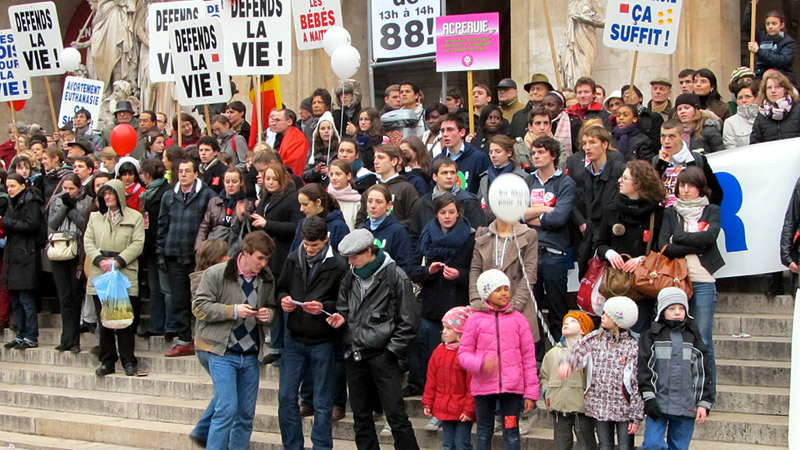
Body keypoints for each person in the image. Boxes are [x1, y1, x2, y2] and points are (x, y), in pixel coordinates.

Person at [326, 229, 420, 450]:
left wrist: (390, 352)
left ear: (369, 251)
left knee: (396, 417)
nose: (350, 262)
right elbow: (343, 308)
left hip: (382, 355)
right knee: (361, 418)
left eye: (354, 257)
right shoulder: (349, 277)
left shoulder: (395, 276)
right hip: (355, 354)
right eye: (348, 257)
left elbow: (409, 321)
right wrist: (341, 319)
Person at [192, 230, 277, 448]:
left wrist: (268, 315)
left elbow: (271, 308)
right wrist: (233, 310)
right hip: (222, 352)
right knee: (226, 409)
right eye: (260, 258)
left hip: (250, 354)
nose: (263, 263)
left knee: (246, 415)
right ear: (246, 253)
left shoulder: (266, 278)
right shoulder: (217, 273)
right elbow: (199, 306)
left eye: (267, 259)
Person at [277, 216, 349, 450]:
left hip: (323, 340)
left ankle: (321, 447)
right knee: (286, 397)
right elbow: (281, 288)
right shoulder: (293, 258)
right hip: (295, 337)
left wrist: (324, 307)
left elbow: (344, 302)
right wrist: (283, 300)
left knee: (322, 401)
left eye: (314, 246)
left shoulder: (338, 264)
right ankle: (292, 445)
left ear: (326, 240)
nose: (309, 250)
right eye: (306, 245)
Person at [657, 166, 724, 402]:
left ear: (700, 187)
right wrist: (695, 243)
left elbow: (710, 238)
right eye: (682, 185)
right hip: (676, 280)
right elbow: (665, 245)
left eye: (690, 186)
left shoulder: (711, 210)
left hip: (703, 278)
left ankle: (707, 395)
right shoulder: (670, 212)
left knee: (703, 338)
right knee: (675, 336)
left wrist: (681, 238)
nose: (685, 190)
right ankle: (681, 392)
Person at [405, 193, 475, 400]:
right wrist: (429, 271)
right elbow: (411, 269)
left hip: (457, 306)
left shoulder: (470, 238)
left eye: (451, 212)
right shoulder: (426, 236)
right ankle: (431, 395)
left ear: (458, 213)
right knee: (430, 354)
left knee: (456, 358)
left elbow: (476, 272)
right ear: (436, 214)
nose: (447, 217)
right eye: (443, 212)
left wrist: (459, 275)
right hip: (431, 305)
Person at [459, 269, 539, 450]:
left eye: (506, 288)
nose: (504, 293)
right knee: (484, 430)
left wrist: (531, 393)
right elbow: (463, 355)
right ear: (487, 294)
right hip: (484, 389)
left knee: (511, 431)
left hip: (512, 389)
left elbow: (528, 357)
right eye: (498, 290)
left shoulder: (518, 319)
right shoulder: (475, 320)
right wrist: (480, 363)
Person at [559, 296, 645, 450]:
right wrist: (568, 363)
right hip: (599, 406)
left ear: (619, 319)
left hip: (624, 408)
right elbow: (577, 352)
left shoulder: (633, 346)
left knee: (626, 446)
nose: (602, 316)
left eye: (607, 314)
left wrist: (636, 415)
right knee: (604, 445)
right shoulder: (594, 339)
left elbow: (636, 382)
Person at [240, 161, 303, 365]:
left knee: (282, 302)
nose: (270, 182)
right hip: (267, 256)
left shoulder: (292, 197)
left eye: (274, 179)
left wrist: (268, 224)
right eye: (267, 179)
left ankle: (283, 347)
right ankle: (275, 346)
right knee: (271, 302)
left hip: (283, 256)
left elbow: (296, 227)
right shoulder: (265, 197)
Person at [638, 288, 713, 450]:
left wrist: (703, 403)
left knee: (680, 446)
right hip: (658, 403)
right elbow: (645, 369)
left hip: (686, 405)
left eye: (681, 308)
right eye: (671, 309)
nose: (677, 312)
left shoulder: (693, 337)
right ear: (662, 311)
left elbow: (702, 373)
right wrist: (649, 398)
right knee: (652, 444)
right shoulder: (652, 336)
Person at [85, 179, 145, 376]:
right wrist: (100, 260)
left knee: (124, 319)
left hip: (123, 272)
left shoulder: (134, 217)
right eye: (105, 194)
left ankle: (128, 360)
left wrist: (118, 261)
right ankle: (107, 360)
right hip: (101, 272)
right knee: (105, 320)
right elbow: (88, 241)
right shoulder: (95, 218)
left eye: (111, 193)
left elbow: (137, 243)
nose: (108, 197)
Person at [596, 160, 665, 332]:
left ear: (639, 183)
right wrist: (610, 253)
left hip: (643, 284)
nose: (619, 180)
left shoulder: (657, 213)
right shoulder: (611, 209)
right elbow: (599, 244)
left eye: (625, 178)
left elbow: (662, 248)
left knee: (640, 332)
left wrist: (643, 259)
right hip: (615, 282)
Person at [157, 159, 216, 357]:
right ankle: (184, 340)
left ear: (195, 174)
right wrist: (161, 252)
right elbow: (162, 225)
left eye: (187, 171)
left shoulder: (207, 194)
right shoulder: (168, 196)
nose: (183, 174)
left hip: (197, 257)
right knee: (179, 300)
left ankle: (204, 338)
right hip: (174, 254)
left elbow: (212, 224)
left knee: (201, 299)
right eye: (180, 171)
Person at [524, 137, 576, 343]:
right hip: (530, 253)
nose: (536, 156)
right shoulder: (528, 181)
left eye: (541, 152)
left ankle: (560, 353)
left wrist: (531, 216)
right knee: (531, 310)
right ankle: (536, 359)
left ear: (553, 155)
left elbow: (559, 218)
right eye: (533, 153)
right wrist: (545, 210)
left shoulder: (565, 182)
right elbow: (516, 214)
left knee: (558, 310)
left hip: (555, 254)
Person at [187, 238, 231, 447]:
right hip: (209, 345)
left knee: (227, 393)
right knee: (227, 397)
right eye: (226, 256)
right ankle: (204, 430)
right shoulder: (205, 280)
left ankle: (202, 429)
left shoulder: (201, 277)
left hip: (206, 345)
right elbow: (205, 309)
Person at [568, 126, 626, 276]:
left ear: (605, 144)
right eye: (584, 143)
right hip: (592, 238)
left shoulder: (620, 169)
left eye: (592, 142)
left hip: (616, 238)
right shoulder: (586, 175)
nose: (587, 147)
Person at [539, 312, 597, 450]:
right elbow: (544, 376)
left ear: (583, 329)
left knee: (586, 444)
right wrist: (547, 392)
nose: (567, 323)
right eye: (565, 321)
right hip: (559, 408)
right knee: (561, 445)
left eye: (573, 321)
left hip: (582, 409)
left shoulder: (590, 353)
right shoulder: (552, 354)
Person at [48, 173, 92, 353]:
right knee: (64, 297)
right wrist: (64, 207)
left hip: (77, 252)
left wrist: (72, 209)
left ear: (79, 188)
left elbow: (85, 224)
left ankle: (74, 340)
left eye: (71, 189)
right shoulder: (57, 200)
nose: (68, 192)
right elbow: (52, 223)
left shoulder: (87, 201)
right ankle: (66, 337)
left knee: (75, 295)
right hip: (59, 251)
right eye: (65, 188)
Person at [422, 306, 476, 450]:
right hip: (444, 407)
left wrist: (469, 409)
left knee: (462, 444)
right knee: (448, 444)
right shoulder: (438, 351)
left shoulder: (466, 354)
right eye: (443, 327)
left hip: (462, 408)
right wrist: (428, 402)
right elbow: (431, 380)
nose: (444, 332)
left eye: (449, 328)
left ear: (460, 331)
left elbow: (472, 385)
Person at [1, 174, 44, 350]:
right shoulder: (12, 202)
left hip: (26, 255)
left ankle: (31, 335)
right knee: (16, 300)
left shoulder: (31, 201)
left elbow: (31, 225)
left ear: (22, 185)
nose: (9, 189)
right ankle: (20, 333)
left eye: (13, 186)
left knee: (26, 299)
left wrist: (5, 221)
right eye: (7, 186)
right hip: (13, 255)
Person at [409, 157, 486, 250]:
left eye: (452, 173)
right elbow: (414, 236)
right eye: (444, 173)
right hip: (431, 258)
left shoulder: (469, 201)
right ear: (435, 177)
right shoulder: (423, 204)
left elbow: (480, 235)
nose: (449, 176)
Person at [138, 158, 175, 338]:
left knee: (167, 289)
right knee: (155, 289)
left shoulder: (167, 192)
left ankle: (170, 325)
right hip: (150, 247)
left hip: (164, 246)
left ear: (146, 175)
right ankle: (155, 325)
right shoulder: (147, 194)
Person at [654, 119, 723, 208]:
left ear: (682, 137)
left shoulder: (697, 159)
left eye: (672, 136)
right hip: (665, 217)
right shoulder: (656, 161)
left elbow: (716, 191)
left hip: (692, 215)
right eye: (663, 136)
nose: (666, 141)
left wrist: (707, 213)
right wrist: (661, 164)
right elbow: (648, 192)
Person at [354, 144, 419, 228]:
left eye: (381, 158)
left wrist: (390, 229)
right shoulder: (370, 190)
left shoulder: (406, 189)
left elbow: (414, 220)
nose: (375, 162)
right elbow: (359, 221)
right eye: (375, 158)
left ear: (394, 161)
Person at [358, 184, 413, 271]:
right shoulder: (361, 230)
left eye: (378, 202)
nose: (373, 206)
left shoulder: (398, 231)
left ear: (389, 205)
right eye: (370, 201)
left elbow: (405, 265)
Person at [196, 167, 253, 249]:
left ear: (241, 183)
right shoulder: (214, 201)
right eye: (227, 182)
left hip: (236, 247)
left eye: (234, 182)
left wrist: (242, 218)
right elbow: (204, 226)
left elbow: (249, 231)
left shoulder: (247, 204)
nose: (230, 185)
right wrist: (199, 248)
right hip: (215, 246)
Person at [436, 113, 491, 195]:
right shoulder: (438, 160)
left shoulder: (479, 158)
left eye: (450, 129)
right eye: (442, 130)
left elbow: (484, 190)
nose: (445, 134)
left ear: (462, 132)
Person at [477, 135, 527, 221]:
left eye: (498, 151)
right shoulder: (485, 177)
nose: (493, 155)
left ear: (509, 153)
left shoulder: (522, 177)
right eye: (491, 152)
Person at [743, 4, 796, 85]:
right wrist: (751, 5)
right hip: (760, 76)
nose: (770, 26)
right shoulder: (761, 37)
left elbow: (781, 60)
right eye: (768, 24)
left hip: (781, 77)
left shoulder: (788, 42)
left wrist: (758, 51)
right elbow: (748, 25)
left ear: (782, 25)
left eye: (774, 23)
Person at [291, 183, 350, 252]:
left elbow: (343, 256)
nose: (301, 209)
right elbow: (294, 253)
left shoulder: (338, 226)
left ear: (318, 202)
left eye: (305, 204)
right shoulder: (303, 223)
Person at [750, 71, 800, 144]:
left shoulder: (797, 110)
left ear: (785, 89)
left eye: (777, 87)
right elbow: (754, 144)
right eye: (769, 88)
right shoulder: (761, 116)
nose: (773, 91)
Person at [509, 74, 554, 139]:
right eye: (532, 89)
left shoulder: (553, 114)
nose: (535, 92)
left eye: (539, 89)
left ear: (548, 92)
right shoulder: (518, 116)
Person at [268, 108, 310, 178]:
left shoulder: (296, 138)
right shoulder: (281, 136)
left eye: (278, 120)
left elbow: (292, 163)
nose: (274, 123)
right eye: (274, 120)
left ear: (289, 122)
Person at [304, 111, 340, 185]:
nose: (326, 131)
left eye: (329, 128)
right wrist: (315, 171)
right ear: (318, 131)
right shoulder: (312, 151)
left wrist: (331, 172)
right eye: (323, 129)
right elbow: (305, 175)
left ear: (334, 131)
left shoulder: (340, 149)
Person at [723, 79, 760, 148]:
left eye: (748, 97)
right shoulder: (730, 123)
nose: (744, 100)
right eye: (740, 98)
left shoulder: (763, 118)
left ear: (756, 99)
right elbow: (730, 148)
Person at [327, 159, 362, 231]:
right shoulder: (325, 199)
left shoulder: (358, 201)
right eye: (331, 174)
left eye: (338, 174)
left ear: (348, 176)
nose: (334, 178)